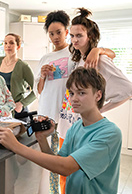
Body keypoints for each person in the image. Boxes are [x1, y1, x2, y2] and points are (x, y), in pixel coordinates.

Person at [0, 67, 122, 193]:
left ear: (98, 95)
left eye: (82, 93)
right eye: (72, 93)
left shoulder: (109, 133)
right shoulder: (76, 127)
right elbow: (58, 163)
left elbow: (65, 167)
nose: (74, 99)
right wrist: (41, 139)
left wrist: (16, 147)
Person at [36, 10, 117, 194]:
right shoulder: (52, 57)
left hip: (71, 119)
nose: (56, 37)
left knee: (68, 166)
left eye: (60, 32)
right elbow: (39, 90)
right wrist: (42, 75)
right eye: (51, 33)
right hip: (54, 116)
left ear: (65, 32)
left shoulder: (75, 54)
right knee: (56, 163)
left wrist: (98, 50)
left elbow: (108, 55)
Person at [58, 7, 132, 148]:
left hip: (82, 128)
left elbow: (128, 90)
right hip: (67, 124)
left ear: (90, 36)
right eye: (72, 36)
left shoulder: (100, 60)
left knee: (72, 168)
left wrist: (99, 109)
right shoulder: (78, 59)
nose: (74, 40)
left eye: (79, 35)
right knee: (62, 166)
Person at [0, 33, 36, 121]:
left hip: (17, 111)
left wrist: (21, 103)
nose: (8, 45)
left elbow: (37, 89)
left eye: (11, 43)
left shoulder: (23, 66)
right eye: (5, 43)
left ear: (18, 46)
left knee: (17, 134)